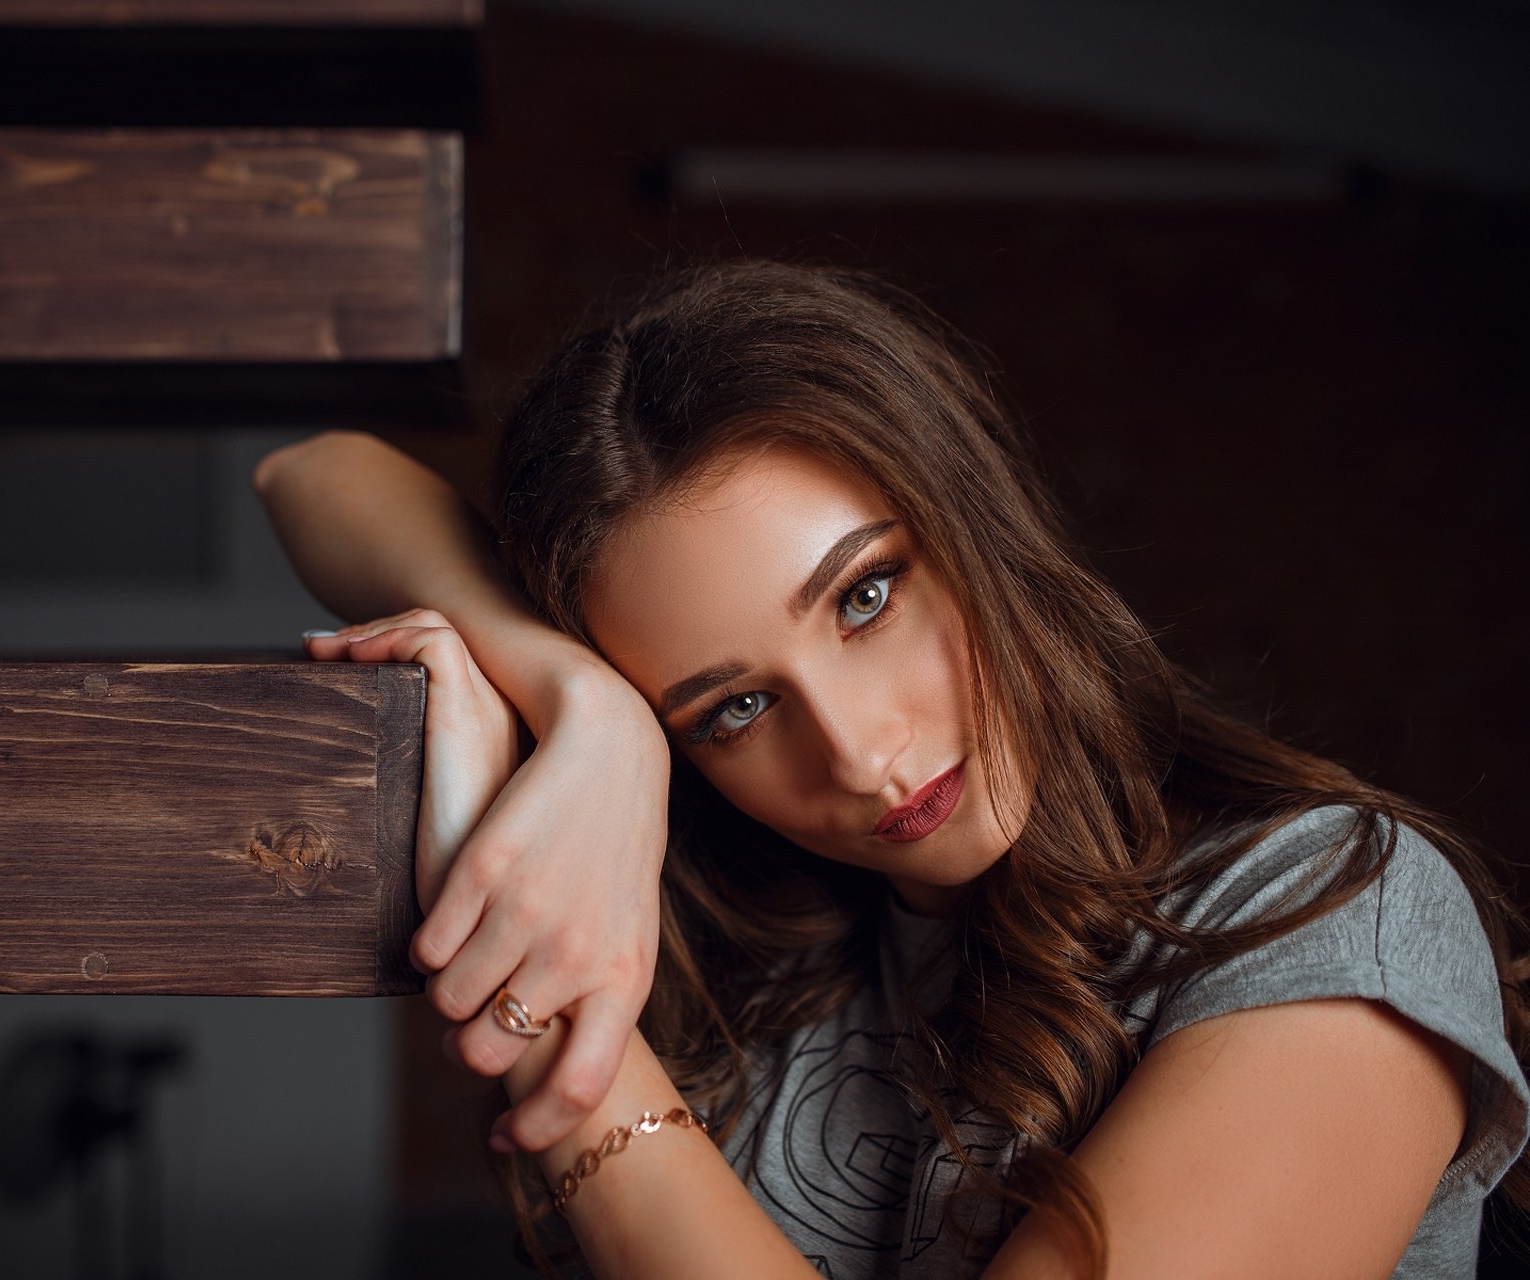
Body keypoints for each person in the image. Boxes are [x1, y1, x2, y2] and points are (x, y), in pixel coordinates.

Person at [254, 259, 1530, 1278]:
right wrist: (585, 703)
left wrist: (562, 1051)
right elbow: (307, 472)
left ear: (974, 515)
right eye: (733, 706)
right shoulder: (761, 943)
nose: (863, 756)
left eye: (866, 595)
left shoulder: (1333, 911)